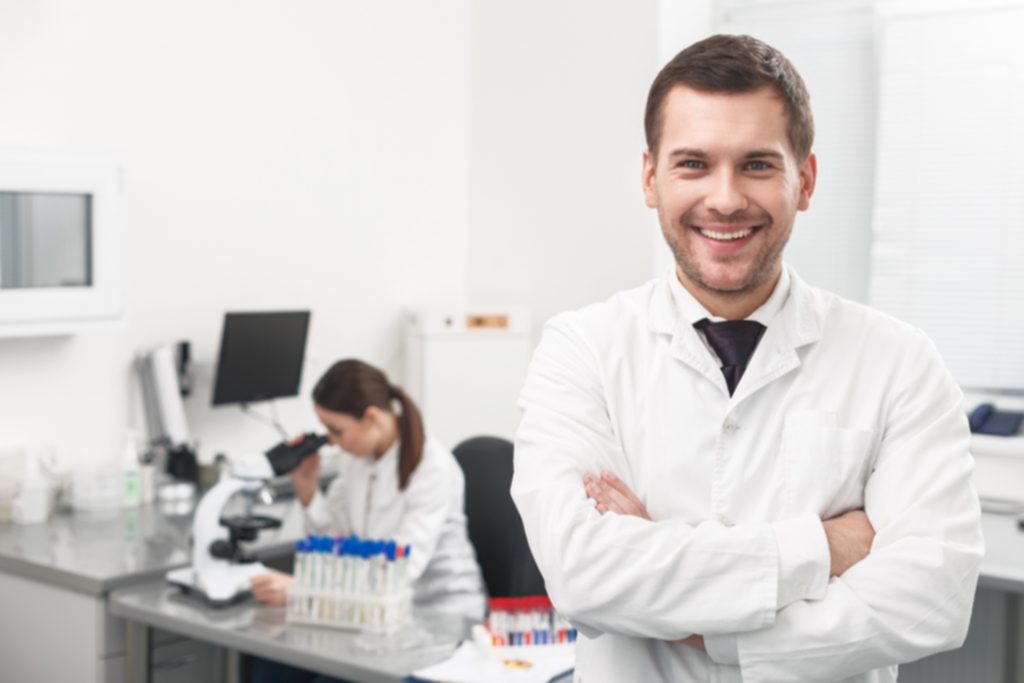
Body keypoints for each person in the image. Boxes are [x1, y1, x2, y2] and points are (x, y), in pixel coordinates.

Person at [511, 34, 983, 683]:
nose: (726, 197)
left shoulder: (899, 360)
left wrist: (707, 629)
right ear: (651, 178)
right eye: (694, 164)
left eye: (757, 164)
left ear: (805, 180)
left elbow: (934, 601)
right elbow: (582, 573)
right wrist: (824, 544)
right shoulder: (582, 349)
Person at [249, 359, 486, 682]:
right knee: (269, 670)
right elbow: (333, 545)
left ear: (372, 418)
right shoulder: (356, 461)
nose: (331, 441)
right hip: (371, 615)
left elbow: (396, 576)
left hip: (437, 620)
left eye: (337, 430)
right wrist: (307, 489)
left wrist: (302, 590)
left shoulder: (433, 470)